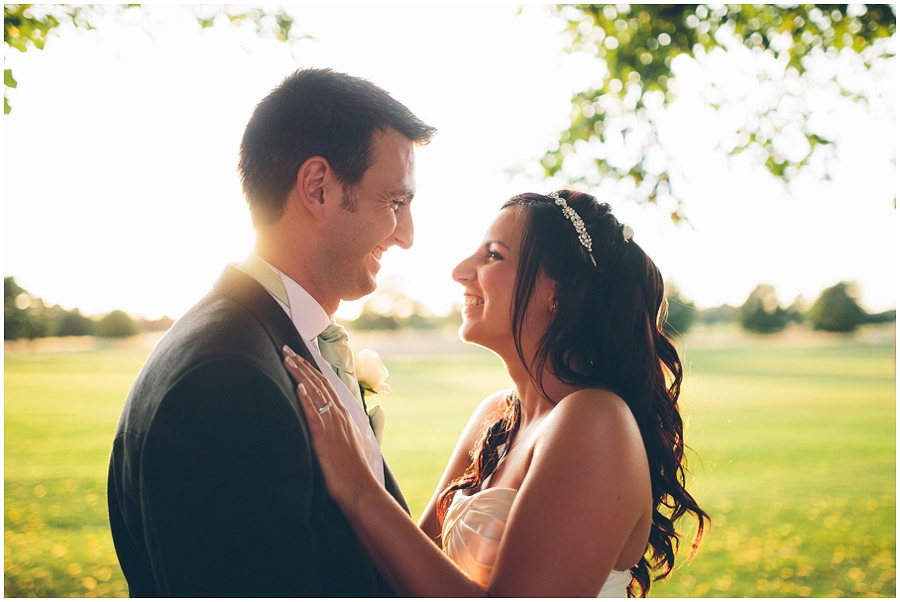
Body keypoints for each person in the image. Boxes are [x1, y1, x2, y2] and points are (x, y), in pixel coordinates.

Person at [107, 67, 436, 596]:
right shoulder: (226, 381)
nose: (408, 236)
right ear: (318, 187)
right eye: (395, 202)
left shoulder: (272, 341)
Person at [282, 189, 709, 597]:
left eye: (493, 255)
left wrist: (357, 484)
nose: (460, 271)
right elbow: (404, 570)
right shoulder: (497, 417)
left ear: (556, 291)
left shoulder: (597, 420)